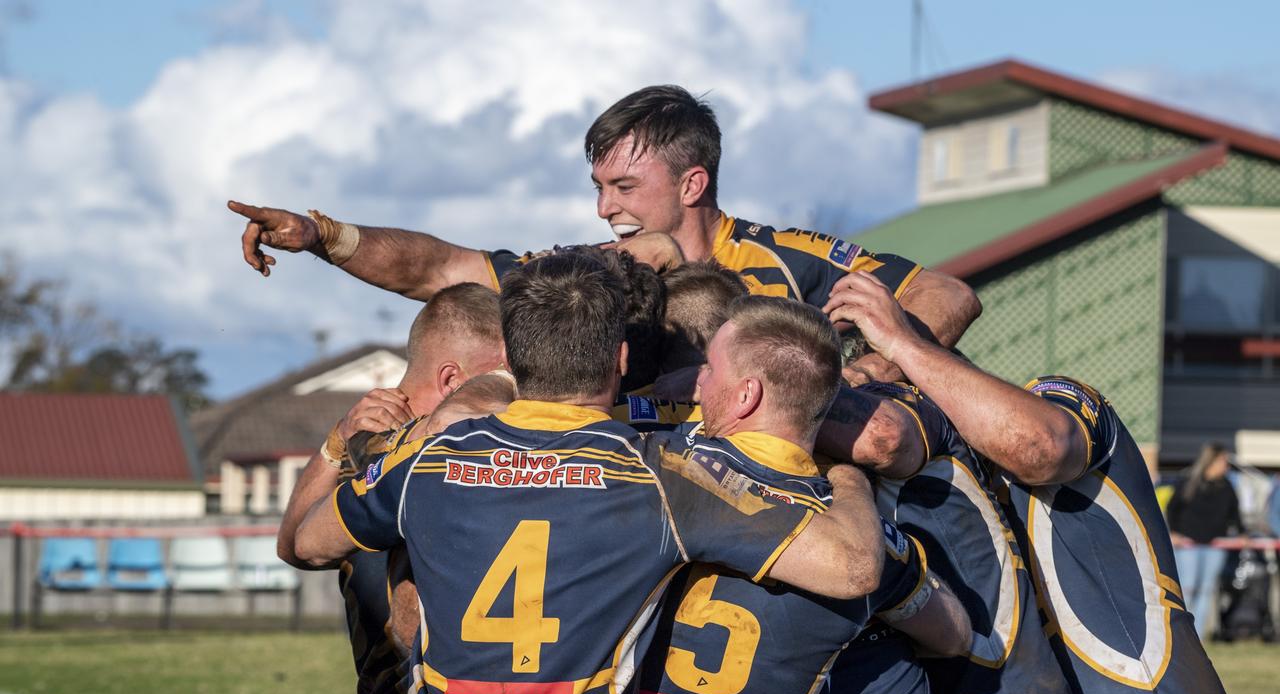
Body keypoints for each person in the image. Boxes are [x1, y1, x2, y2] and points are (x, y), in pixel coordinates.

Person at [292, 252, 888, 694]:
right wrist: (848, 475)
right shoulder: (663, 476)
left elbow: (307, 545)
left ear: (514, 359)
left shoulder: (426, 461)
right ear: (622, 359)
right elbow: (854, 569)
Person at [227, 85, 980, 383]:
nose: (601, 210)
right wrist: (324, 233)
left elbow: (946, 295)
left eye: (623, 187)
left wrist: (859, 379)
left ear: (693, 183)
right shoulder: (588, 270)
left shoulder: (787, 258)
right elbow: (439, 269)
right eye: (597, 186)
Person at [826, 271, 1235, 694]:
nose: (865, 404)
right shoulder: (920, 473)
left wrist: (902, 346)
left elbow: (1040, 446)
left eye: (876, 387)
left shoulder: (1057, 404)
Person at [636, 296, 971, 694]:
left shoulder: (651, 466)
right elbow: (955, 635)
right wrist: (848, 477)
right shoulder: (861, 535)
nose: (698, 381)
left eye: (710, 368)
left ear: (746, 396)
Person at [276, 282, 503, 694]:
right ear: (453, 379)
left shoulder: (376, 447)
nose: (511, 392)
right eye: (499, 376)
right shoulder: (370, 450)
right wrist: (335, 444)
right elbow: (293, 548)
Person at [1167, 443, 1242, 641]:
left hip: (1214, 546)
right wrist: (1173, 533)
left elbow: (1235, 514)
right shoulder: (1188, 482)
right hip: (1187, 546)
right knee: (1188, 588)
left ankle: (1196, 638)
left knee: (1207, 591)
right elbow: (1172, 509)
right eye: (1223, 461)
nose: (1226, 466)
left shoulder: (1226, 487)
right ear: (1211, 461)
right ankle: (1180, 635)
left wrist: (1242, 534)